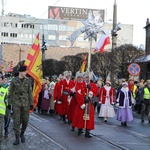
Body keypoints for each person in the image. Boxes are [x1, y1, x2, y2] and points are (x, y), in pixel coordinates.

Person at [8, 65, 33, 145]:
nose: (26, 72)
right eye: (25, 71)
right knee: (16, 121)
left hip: (25, 103)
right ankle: (17, 138)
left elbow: (30, 92)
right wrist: (9, 103)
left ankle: (22, 133)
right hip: (16, 103)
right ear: (21, 72)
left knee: (25, 120)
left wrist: (31, 103)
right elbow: (10, 92)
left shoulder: (28, 81)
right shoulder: (14, 80)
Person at [0, 76, 9, 149]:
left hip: (3, 109)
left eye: (6, 79)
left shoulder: (6, 89)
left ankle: (2, 135)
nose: (5, 81)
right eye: (4, 79)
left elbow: (8, 98)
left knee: (3, 123)